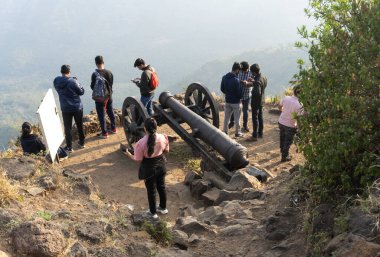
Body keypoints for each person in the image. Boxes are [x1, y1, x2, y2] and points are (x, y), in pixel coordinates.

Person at [124, 117, 169, 219]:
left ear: (145, 129)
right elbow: (166, 151)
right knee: (161, 187)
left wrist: (128, 154)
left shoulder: (140, 143)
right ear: (156, 127)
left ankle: (153, 213)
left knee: (151, 191)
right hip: (161, 166)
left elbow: (138, 160)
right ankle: (163, 208)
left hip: (149, 169)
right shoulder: (163, 137)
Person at [53, 64, 85, 152]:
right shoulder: (73, 82)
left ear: (61, 72)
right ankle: (82, 142)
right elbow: (81, 92)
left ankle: (69, 147)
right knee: (79, 125)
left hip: (65, 108)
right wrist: (78, 82)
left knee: (67, 128)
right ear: (69, 72)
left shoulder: (56, 81)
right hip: (77, 107)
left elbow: (57, 89)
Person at [90, 55, 116, 139]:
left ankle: (104, 133)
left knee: (101, 115)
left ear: (96, 63)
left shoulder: (95, 74)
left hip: (100, 98)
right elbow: (111, 84)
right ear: (103, 62)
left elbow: (92, 87)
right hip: (109, 96)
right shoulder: (109, 72)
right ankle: (113, 128)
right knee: (111, 112)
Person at [278, 85, 302, 162]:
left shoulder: (286, 98)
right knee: (288, 141)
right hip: (291, 125)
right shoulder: (299, 105)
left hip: (281, 121)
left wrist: (283, 111)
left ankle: (282, 151)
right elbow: (299, 117)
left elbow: (280, 106)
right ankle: (284, 156)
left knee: (282, 137)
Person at [221, 62, 243, 137]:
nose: (239, 72)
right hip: (236, 102)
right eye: (239, 71)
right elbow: (239, 94)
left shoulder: (224, 77)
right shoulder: (236, 80)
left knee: (226, 118)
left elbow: (222, 89)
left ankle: (225, 132)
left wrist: (228, 93)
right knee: (237, 119)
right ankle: (237, 132)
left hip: (227, 100)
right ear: (237, 70)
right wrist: (239, 98)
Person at [247, 63, 267, 141]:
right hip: (262, 100)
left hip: (256, 101)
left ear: (254, 72)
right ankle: (260, 133)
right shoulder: (264, 77)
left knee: (255, 118)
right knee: (260, 116)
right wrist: (254, 81)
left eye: (251, 72)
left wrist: (254, 83)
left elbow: (257, 92)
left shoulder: (257, 80)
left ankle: (254, 135)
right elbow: (261, 86)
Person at [238, 61, 252, 132]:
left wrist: (247, 83)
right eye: (243, 70)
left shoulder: (251, 72)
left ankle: (245, 125)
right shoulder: (239, 70)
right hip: (239, 94)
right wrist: (240, 81)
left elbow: (255, 83)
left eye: (245, 70)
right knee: (237, 109)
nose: (244, 72)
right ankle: (236, 124)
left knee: (245, 110)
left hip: (247, 94)